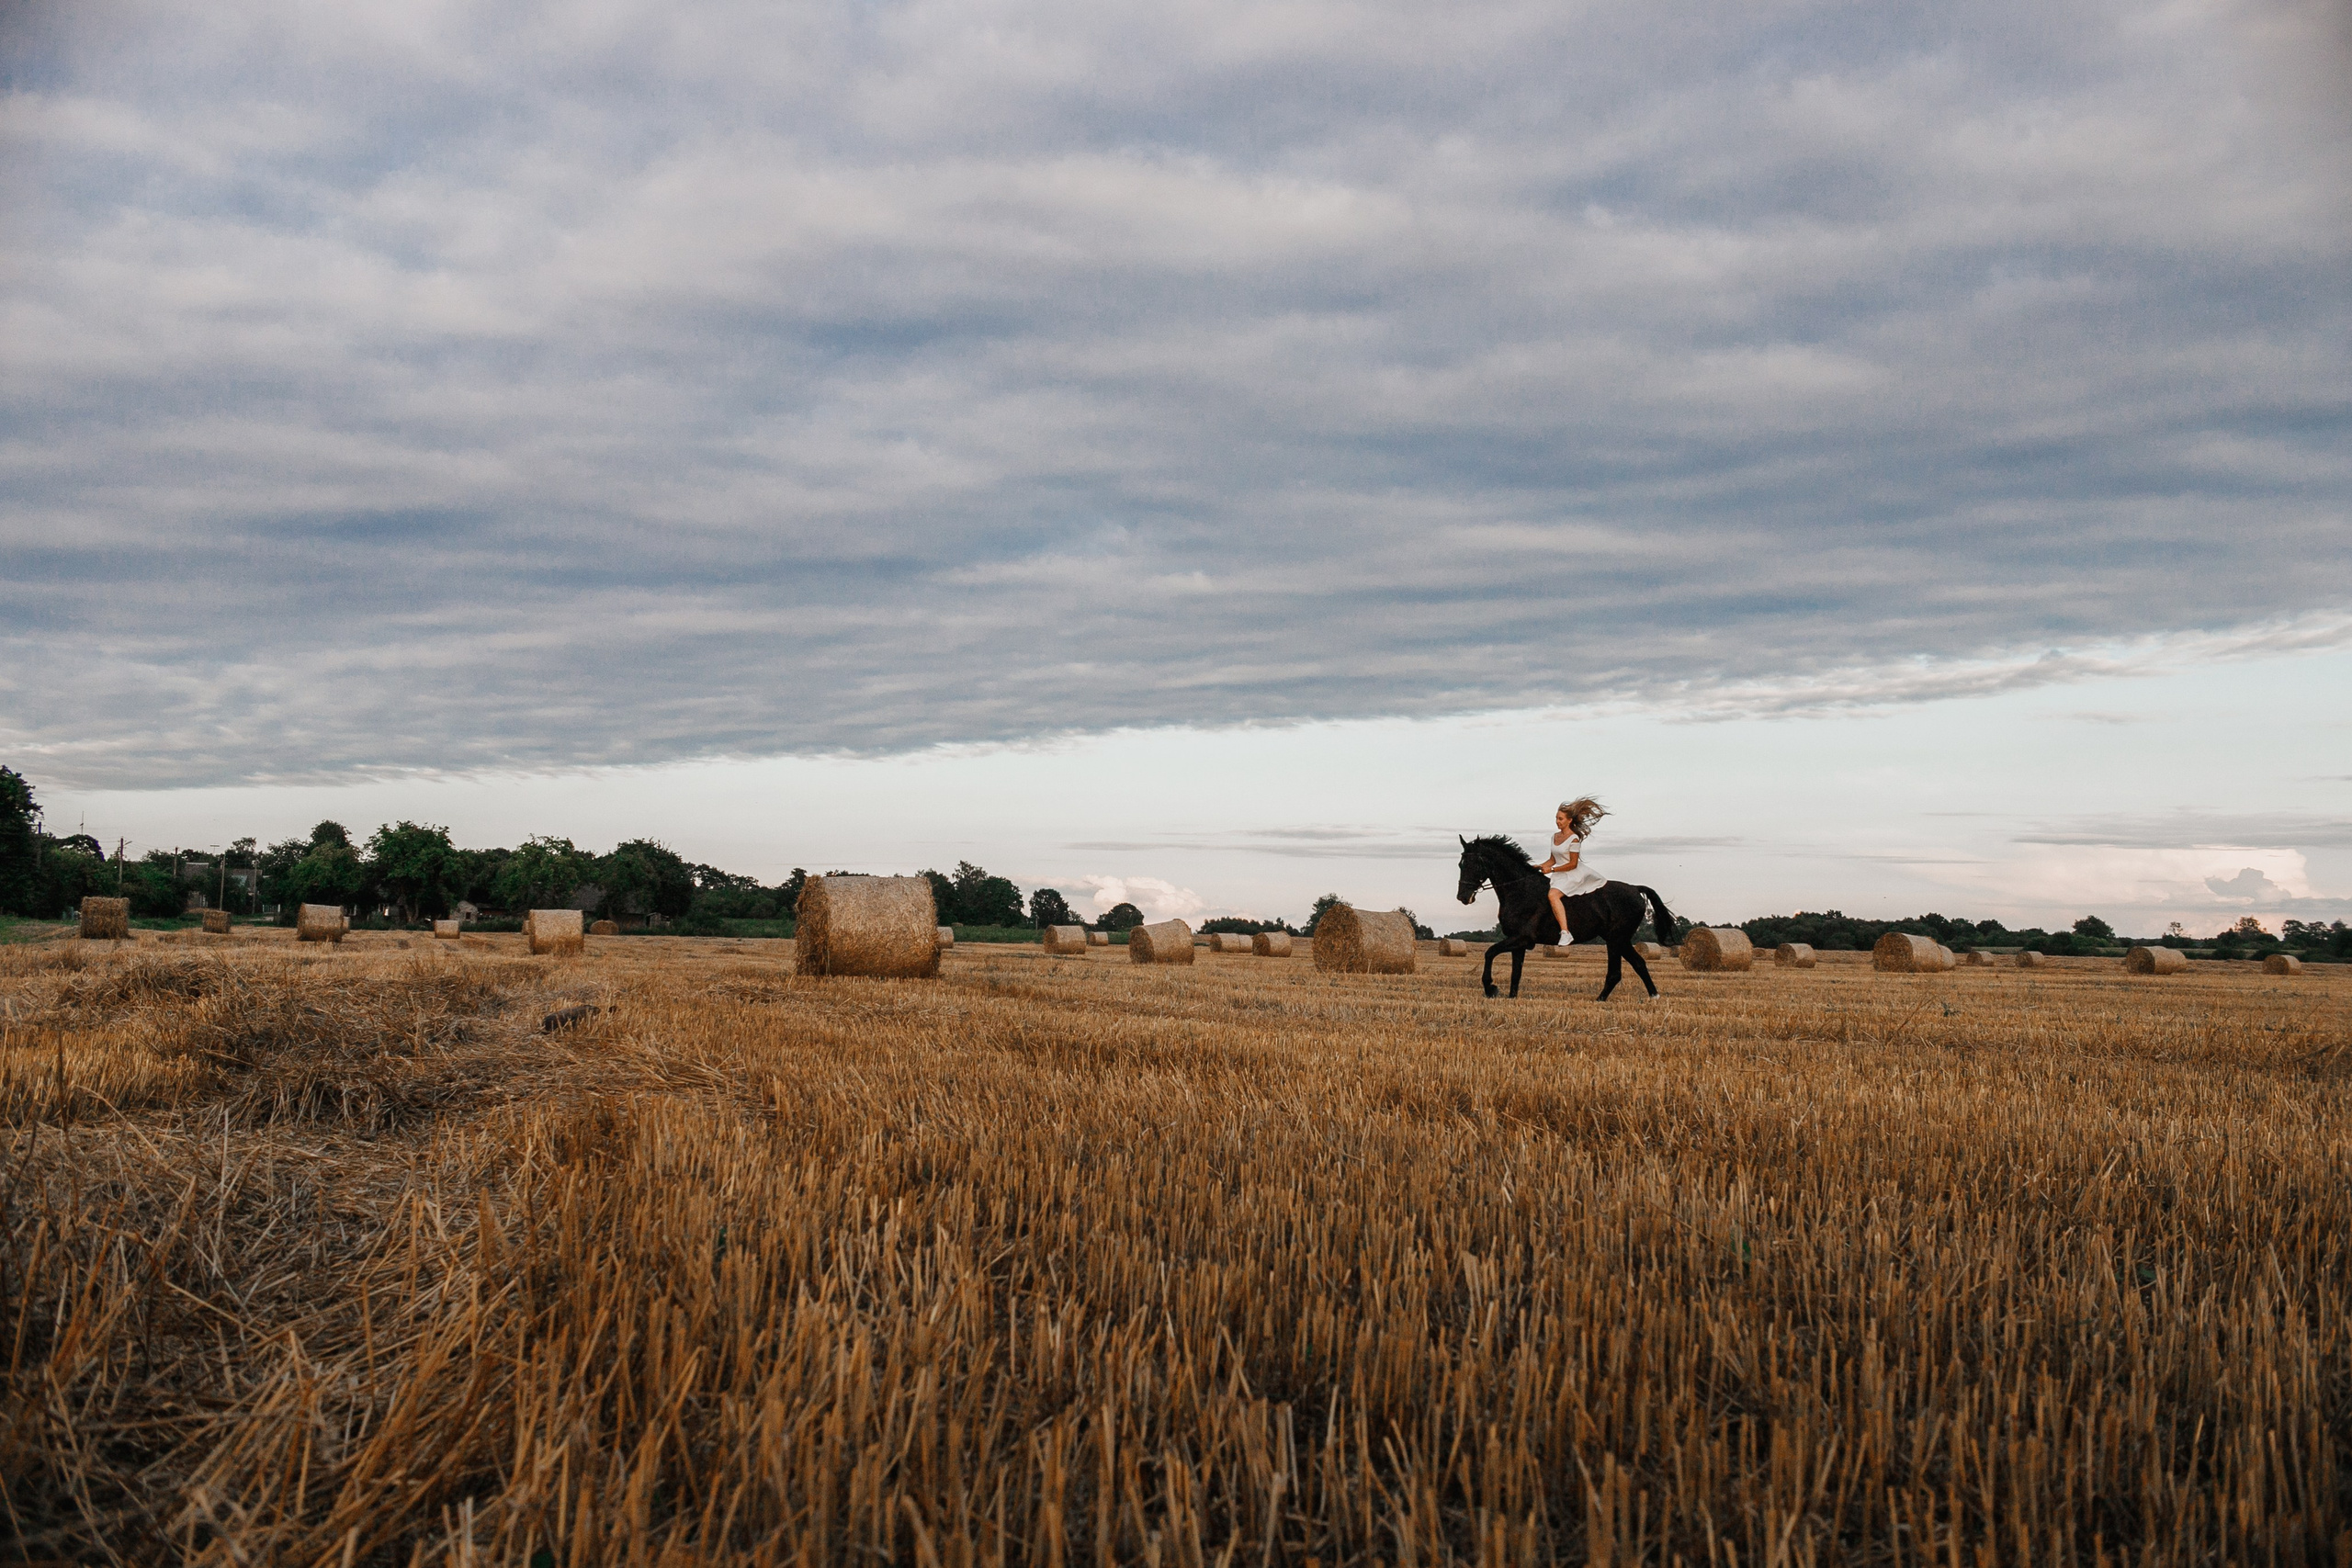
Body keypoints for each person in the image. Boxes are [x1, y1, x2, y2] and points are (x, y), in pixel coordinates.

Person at [1537, 795, 1608, 942]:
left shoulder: (1574, 838)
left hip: (1572, 874)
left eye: (1561, 819)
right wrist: (1538, 866)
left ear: (1569, 820)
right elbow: (1552, 860)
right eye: (1556, 818)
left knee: (1553, 895)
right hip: (1559, 873)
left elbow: (1572, 864)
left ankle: (1565, 932)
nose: (1557, 821)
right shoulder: (1554, 837)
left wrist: (1551, 870)